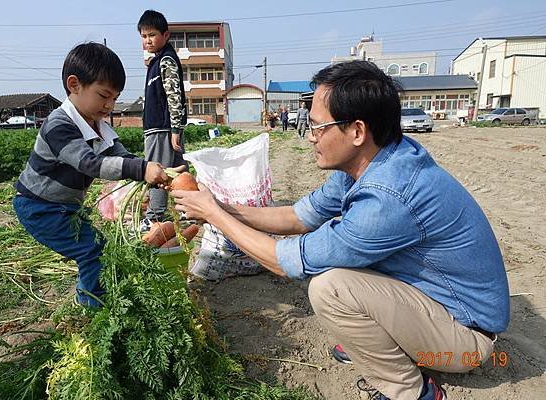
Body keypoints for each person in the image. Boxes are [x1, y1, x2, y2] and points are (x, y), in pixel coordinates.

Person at [171, 60, 509, 400]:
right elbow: (297, 217)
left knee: (329, 287)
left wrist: (214, 215)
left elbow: (282, 261)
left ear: (357, 131)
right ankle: (383, 342)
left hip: (466, 340)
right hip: (435, 307)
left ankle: (412, 391)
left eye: (318, 127)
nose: (310, 136)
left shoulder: (388, 197)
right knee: (336, 254)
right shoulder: (374, 161)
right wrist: (221, 207)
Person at [13, 42, 173, 307]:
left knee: (98, 247)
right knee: (92, 251)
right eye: (103, 95)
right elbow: (90, 163)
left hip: (65, 208)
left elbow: (122, 156)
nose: (110, 105)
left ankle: (90, 296)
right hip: (39, 207)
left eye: (115, 98)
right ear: (74, 84)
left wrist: (162, 171)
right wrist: (142, 170)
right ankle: (93, 306)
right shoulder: (59, 124)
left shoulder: (97, 125)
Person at [139, 9, 188, 229]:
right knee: (178, 171)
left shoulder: (166, 60)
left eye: (151, 35)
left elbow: (174, 96)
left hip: (162, 128)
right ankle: (189, 208)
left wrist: (175, 128)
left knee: (157, 171)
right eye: (143, 36)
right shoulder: (157, 61)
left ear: (165, 35)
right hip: (162, 128)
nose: (147, 40)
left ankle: (155, 216)